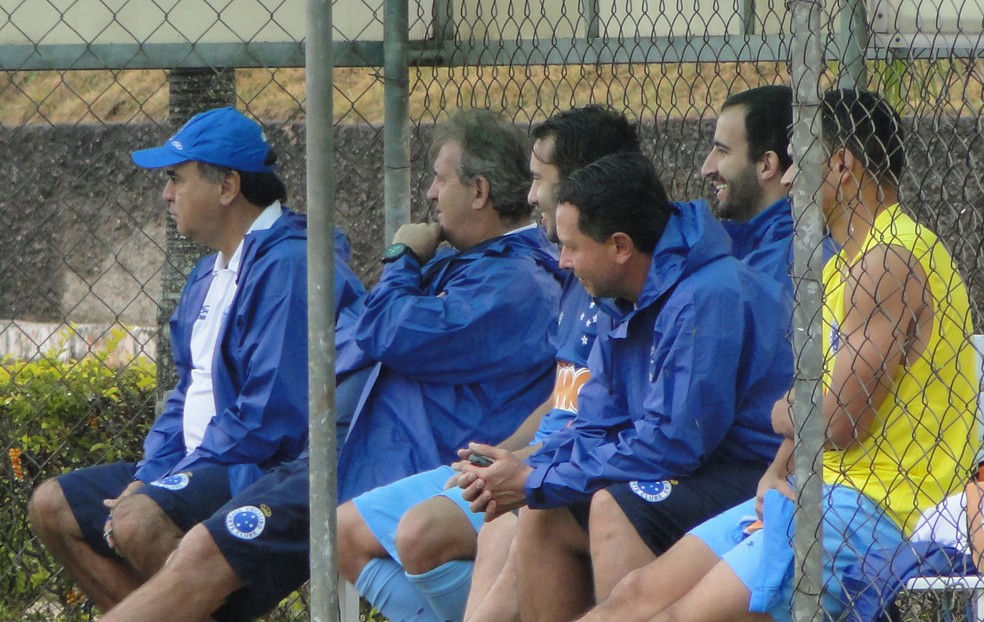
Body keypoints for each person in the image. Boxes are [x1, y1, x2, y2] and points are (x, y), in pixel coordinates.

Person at [99, 107, 565, 622]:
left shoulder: (517, 281)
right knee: (180, 554)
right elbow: (357, 335)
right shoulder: (468, 262)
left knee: (200, 557)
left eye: (439, 179)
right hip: (337, 458)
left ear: (478, 193)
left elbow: (385, 333)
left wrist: (400, 259)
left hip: (387, 469)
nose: (430, 194)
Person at [578, 88, 977, 622]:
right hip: (818, 493)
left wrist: (785, 412)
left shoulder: (889, 261)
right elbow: (816, 408)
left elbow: (836, 423)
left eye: (800, 160)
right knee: (633, 597)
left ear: (841, 164)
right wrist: (776, 468)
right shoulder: (841, 267)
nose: (787, 179)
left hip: (876, 510)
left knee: (679, 617)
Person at [27, 107, 365, 613]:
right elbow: (186, 390)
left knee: (137, 520)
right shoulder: (207, 273)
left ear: (227, 186)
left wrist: (166, 481)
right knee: (53, 506)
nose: (166, 194)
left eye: (176, 178)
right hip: (204, 460)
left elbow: (272, 414)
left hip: (264, 467)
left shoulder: (292, 265)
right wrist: (151, 473)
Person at [334, 105, 641, 622]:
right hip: (518, 455)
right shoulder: (570, 275)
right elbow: (561, 397)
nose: (529, 195)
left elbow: (390, 333)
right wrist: (497, 454)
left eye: (541, 179)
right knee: (341, 530)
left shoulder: (534, 277)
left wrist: (401, 259)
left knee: (422, 532)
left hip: (567, 472)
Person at [456, 151, 794, 621]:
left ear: (619, 246)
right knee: (543, 512)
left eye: (573, 246)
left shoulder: (706, 296)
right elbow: (596, 422)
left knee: (614, 507)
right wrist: (529, 468)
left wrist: (536, 479)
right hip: (694, 464)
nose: (563, 261)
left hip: (753, 471)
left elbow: (672, 445)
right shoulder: (622, 295)